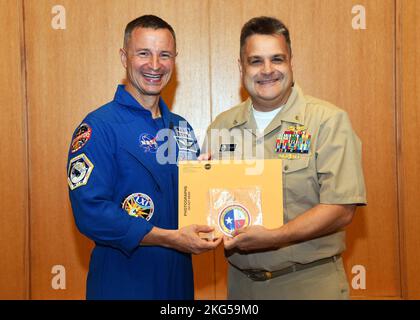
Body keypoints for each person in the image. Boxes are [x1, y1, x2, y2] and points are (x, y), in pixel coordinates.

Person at [203, 16, 367, 299]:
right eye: (255, 61)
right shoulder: (222, 126)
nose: (267, 70)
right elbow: (209, 206)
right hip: (241, 286)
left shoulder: (326, 121)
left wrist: (277, 236)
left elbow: (341, 209)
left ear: (291, 62)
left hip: (309, 283)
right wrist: (201, 185)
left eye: (277, 59)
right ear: (241, 67)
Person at [67, 15, 221, 300]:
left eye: (164, 55)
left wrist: (209, 184)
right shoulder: (98, 127)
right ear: (124, 57)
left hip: (178, 284)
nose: (154, 65)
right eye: (143, 53)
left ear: (175, 60)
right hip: (122, 284)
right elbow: (91, 213)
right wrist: (168, 237)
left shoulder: (182, 128)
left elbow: (190, 207)